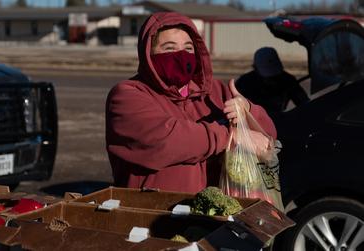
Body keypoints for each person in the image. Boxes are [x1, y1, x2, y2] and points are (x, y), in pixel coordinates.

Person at [105, 12, 276, 193]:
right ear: (148, 53)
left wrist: (248, 112)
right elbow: (166, 140)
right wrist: (231, 137)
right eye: (169, 49)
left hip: (213, 213)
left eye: (188, 48)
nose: (181, 55)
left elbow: (268, 136)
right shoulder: (127, 95)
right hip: (154, 213)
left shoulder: (215, 92)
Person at [235, 47, 310, 116]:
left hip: (279, 121)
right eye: (267, 77)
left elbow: (304, 104)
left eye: (274, 76)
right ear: (256, 68)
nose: (272, 80)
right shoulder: (244, 83)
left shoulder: (288, 80)